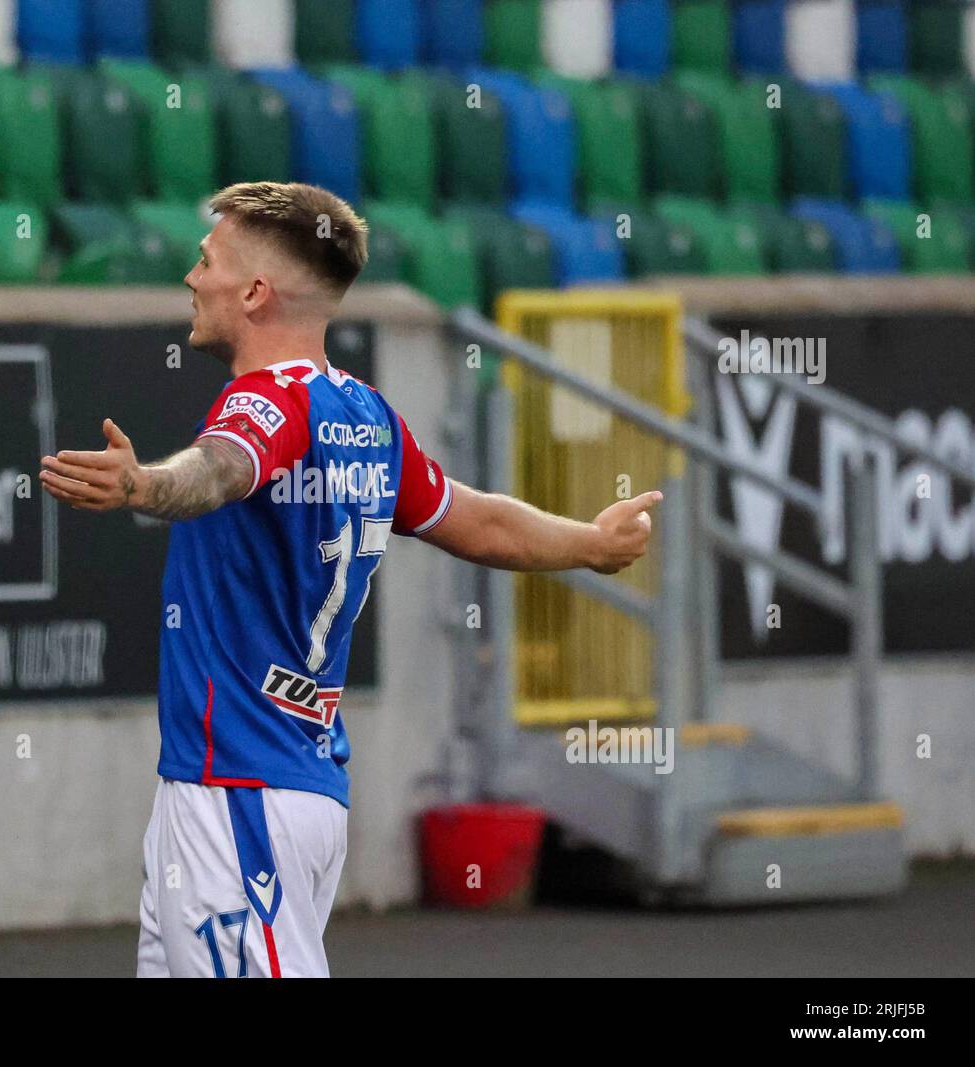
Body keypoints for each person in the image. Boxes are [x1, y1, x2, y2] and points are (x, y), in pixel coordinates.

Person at [39, 182, 661, 978]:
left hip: (241, 793)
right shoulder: (368, 417)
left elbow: (220, 469)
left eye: (207, 261)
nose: (193, 278)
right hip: (276, 780)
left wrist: (142, 488)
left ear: (256, 291)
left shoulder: (266, 402)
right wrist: (589, 541)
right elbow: (478, 520)